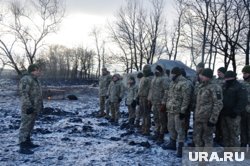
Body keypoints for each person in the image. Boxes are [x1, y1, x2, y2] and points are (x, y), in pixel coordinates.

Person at [163, 67, 192, 158]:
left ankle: (180, 148)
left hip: (179, 111)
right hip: (170, 109)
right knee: (171, 127)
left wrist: (183, 111)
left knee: (179, 129)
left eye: (172, 73)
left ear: (176, 74)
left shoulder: (185, 83)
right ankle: (172, 143)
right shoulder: (172, 83)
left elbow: (186, 98)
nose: (171, 75)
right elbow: (168, 95)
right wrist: (165, 104)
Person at [193, 68, 223, 149]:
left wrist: (213, 119)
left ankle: (205, 159)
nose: (201, 77)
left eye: (203, 75)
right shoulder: (201, 86)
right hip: (199, 117)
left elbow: (218, 104)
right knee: (197, 137)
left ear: (208, 76)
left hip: (207, 119)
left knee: (207, 139)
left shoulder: (215, 87)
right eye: (201, 75)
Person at [19, 64, 43, 154]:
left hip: (35, 107)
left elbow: (38, 94)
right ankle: (22, 145)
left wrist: (41, 105)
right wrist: (28, 106)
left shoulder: (36, 80)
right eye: (38, 70)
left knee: (30, 125)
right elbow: (24, 94)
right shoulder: (26, 79)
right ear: (33, 70)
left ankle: (27, 142)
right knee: (25, 126)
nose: (39, 72)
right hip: (28, 108)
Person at [220, 71, 247, 148]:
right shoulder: (224, 86)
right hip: (224, 113)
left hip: (233, 115)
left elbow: (243, 101)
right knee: (225, 133)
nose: (227, 79)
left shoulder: (239, 87)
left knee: (233, 134)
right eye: (226, 78)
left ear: (233, 77)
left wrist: (236, 111)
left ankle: (234, 151)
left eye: (229, 78)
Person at [148, 64, 170, 144]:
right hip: (154, 102)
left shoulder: (165, 79)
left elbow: (167, 91)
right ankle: (156, 132)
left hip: (160, 103)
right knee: (156, 118)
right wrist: (149, 99)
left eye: (158, 70)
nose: (156, 71)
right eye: (155, 70)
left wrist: (164, 103)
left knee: (162, 120)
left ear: (161, 71)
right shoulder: (154, 78)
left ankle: (161, 135)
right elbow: (151, 90)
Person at [137, 64, 153, 136]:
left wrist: (149, 99)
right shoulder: (143, 78)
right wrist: (137, 97)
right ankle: (143, 127)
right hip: (141, 97)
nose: (144, 71)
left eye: (146, 70)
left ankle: (147, 129)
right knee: (143, 113)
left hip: (146, 98)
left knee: (147, 114)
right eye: (144, 69)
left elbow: (151, 89)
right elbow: (140, 88)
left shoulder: (150, 78)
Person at [214, 67, 226, 144]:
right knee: (216, 122)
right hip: (216, 104)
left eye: (220, 72)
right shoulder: (216, 81)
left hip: (223, 105)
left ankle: (222, 137)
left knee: (222, 123)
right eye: (218, 72)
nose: (218, 74)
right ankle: (217, 136)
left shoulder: (226, 81)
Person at [241, 65, 250, 149]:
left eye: (245, 73)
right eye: (243, 73)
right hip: (243, 110)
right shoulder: (242, 83)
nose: (244, 75)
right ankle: (243, 146)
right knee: (242, 129)